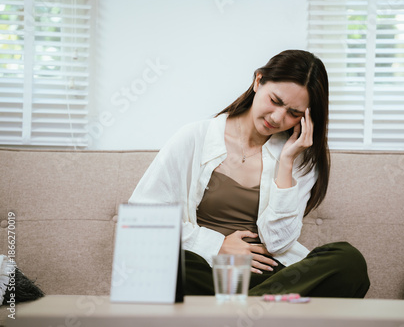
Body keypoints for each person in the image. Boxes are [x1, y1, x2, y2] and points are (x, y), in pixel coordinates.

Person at [129, 49, 370, 298]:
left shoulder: (300, 158)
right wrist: (217, 246)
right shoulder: (195, 137)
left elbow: (278, 243)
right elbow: (144, 218)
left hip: (272, 276)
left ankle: (236, 310)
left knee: (349, 262)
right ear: (258, 81)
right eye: (275, 101)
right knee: (166, 262)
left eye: (293, 113)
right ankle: (256, 310)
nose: (277, 118)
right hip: (206, 270)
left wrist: (286, 163)